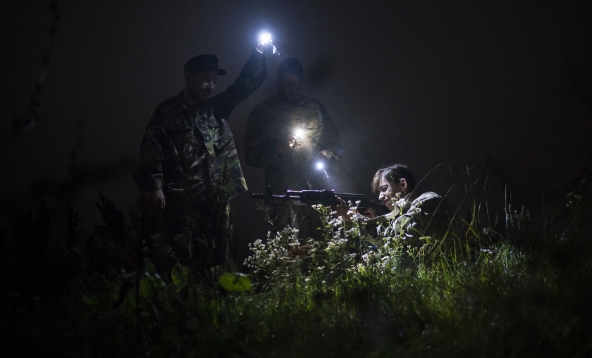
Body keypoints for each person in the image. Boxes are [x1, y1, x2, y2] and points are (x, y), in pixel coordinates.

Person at [133, 43, 270, 268]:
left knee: (218, 254)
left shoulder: (217, 107)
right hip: (182, 198)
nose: (211, 86)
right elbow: (151, 149)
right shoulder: (167, 111)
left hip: (216, 195)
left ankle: (214, 298)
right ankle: (184, 300)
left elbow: (244, 86)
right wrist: (153, 187)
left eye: (215, 80)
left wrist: (260, 54)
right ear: (189, 76)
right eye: (206, 79)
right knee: (180, 256)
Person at [243, 58, 340, 239]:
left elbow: (336, 143)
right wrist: (278, 150)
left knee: (324, 247)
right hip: (285, 198)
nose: (294, 89)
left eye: (298, 83)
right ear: (278, 81)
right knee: (290, 252)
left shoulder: (315, 107)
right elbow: (251, 155)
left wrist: (327, 154)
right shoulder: (263, 113)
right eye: (289, 84)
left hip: (319, 193)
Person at [337, 164, 451, 246]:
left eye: (384, 189)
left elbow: (394, 239)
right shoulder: (403, 213)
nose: (380, 197)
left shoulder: (429, 201)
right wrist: (372, 221)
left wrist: (352, 217)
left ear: (403, 183)